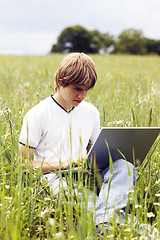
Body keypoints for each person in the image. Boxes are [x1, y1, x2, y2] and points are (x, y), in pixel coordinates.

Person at [19, 52, 136, 228]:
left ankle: (105, 221)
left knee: (125, 166)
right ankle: (118, 224)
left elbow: (99, 152)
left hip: (85, 173)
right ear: (60, 82)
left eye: (86, 90)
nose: (82, 96)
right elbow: (24, 165)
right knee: (92, 203)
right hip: (54, 177)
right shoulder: (37, 115)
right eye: (77, 89)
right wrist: (65, 164)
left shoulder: (91, 112)